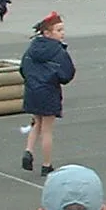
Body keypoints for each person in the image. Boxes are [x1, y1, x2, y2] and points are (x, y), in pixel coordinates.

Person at [20, 13, 73, 175]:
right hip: (49, 91)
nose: (62, 33)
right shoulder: (58, 51)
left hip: (32, 89)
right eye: (59, 30)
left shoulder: (32, 49)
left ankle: (28, 150)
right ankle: (46, 164)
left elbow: (23, 68)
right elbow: (67, 73)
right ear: (48, 33)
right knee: (47, 130)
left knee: (36, 122)